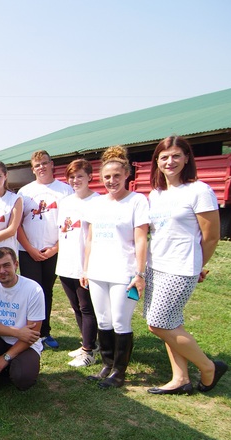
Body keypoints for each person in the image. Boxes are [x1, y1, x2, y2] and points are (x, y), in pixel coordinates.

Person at [144, 136, 227, 395]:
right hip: (155, 265)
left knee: (159, 324)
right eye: (164, 157)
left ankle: (209, 367)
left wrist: (198, 264)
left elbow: (211, 236)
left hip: (180, 268)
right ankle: (180, 378)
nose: (170, 162)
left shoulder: (199, 191)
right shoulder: (156, 194)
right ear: (157, 162)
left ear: (187, 158)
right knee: (170, 323)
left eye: (176, 156)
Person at [80, 146, 150, 389]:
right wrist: (86, 269)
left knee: (121, 321)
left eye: (117, 176)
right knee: (103, 320)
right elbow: (90, 239)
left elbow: (141, 239)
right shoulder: (96, 204)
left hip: (125, 273)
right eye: (107, 177)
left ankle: (119, 372)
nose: (112, 181)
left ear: (127, 174)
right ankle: (107, 365)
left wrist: (139, 273)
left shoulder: (137, 201)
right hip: (98, 272)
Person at [16, 150, 73, 349]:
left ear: (52, 164)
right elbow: (17, 225)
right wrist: (30, 249)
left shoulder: (65, 190)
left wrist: (55, 249)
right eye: (37, 165)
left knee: (46, 291)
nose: (41, 167)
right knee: (31, 292)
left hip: (53, 251)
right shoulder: (24, 192)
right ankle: (30, 332)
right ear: (32, 169)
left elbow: (70, 224)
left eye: (44, 163)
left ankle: (45, 332)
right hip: (28, 252)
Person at [0, 247, 44, 397]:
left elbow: (33, 334)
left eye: (6, 265)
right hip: (0, 339)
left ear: (16, 265)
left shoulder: (33, 289)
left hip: (26, 345)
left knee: (22, 380)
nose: (2, 271)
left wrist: (6, 357)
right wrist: (17, 332)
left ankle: (12, 368)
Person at [55, 160, 100, 367]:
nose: (75, 180)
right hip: (66, 263)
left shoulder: (97, 201)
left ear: (90, 177)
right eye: (72, 177)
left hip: (85, 264)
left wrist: (88, 267)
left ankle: (89, 352)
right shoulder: (65, 202)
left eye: (80, 176)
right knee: (76, 307)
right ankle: (87, 343)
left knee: (87, 307)